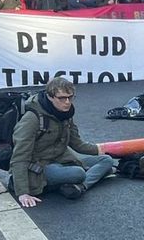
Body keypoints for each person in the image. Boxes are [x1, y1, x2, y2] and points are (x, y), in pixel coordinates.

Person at [11, 77, 115, 207]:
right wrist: (23, 192)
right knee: (79, 173)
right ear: (50, 96)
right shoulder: (32, 119)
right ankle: (74, 182)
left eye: (70, 97)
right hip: (40, 166)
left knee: (107, 160)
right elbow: (19, 157)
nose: (67, 102)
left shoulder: (65, 114)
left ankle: (79, 187)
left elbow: (77, 143)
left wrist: (101, 150)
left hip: (62, 160)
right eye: (62, 98)